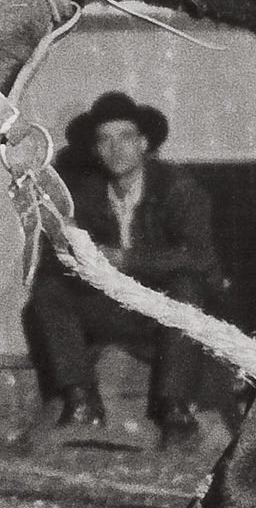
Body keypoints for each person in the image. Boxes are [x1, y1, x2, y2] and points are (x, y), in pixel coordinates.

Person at [23, 92, 220, 436]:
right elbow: (52, 261)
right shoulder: (80, 196)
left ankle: (174, 409)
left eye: (126, 138)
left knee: (189, 286)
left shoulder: (178, 188)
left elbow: (201, 256)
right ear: (96, 150)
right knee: (48, 291)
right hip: (106, 308)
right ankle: (82, 400)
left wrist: (127, 259)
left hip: (161, 312)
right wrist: (81, 260)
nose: (116, 149)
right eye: (105, 140)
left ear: (144, 143)